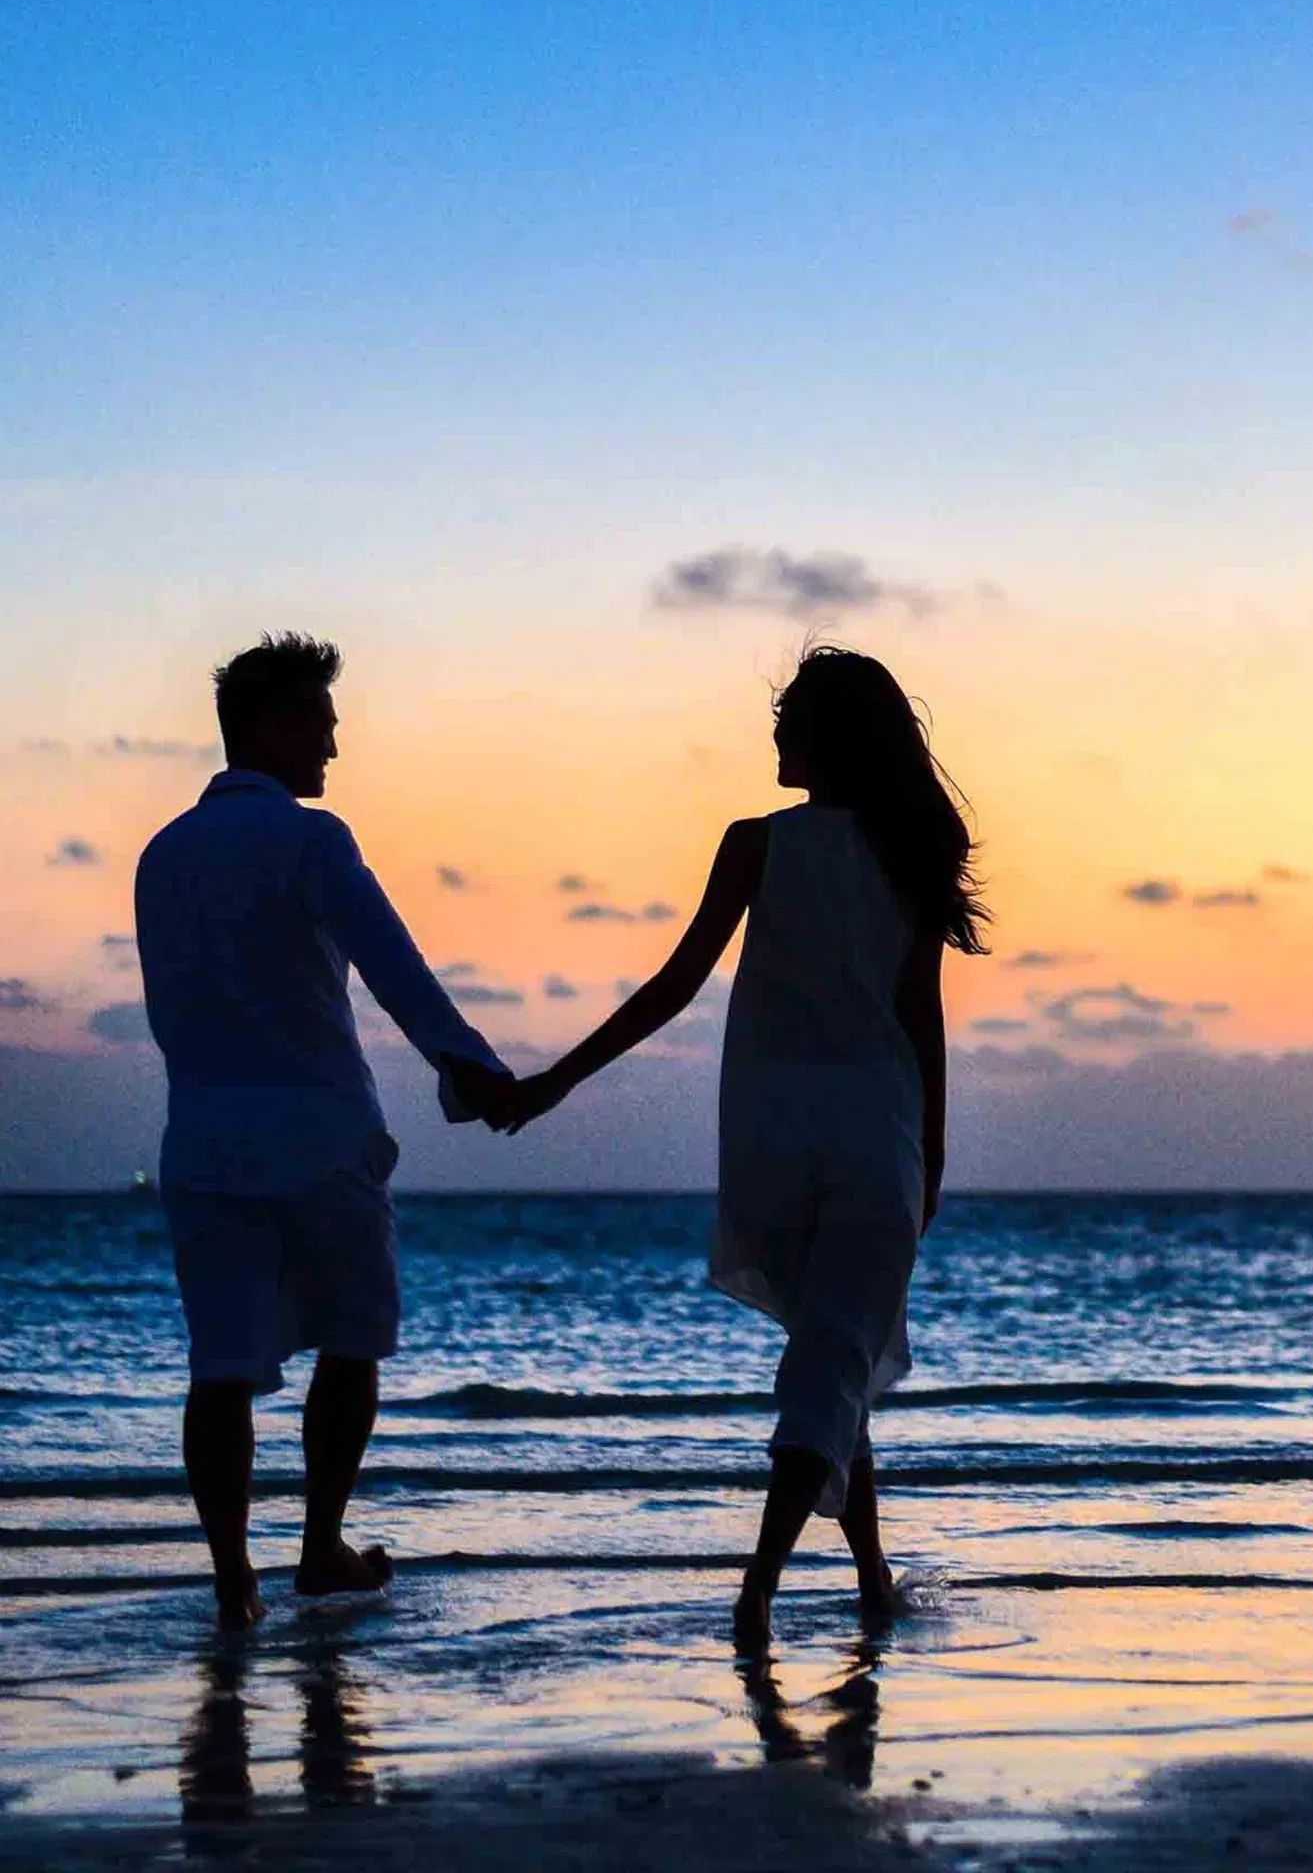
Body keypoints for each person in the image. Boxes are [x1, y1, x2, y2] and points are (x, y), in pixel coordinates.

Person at [498, 647, 988, 1646]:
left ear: (827, 735)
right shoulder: (908, 848)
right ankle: (757, 1590)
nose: (772, 730)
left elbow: (674, 985)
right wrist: (931, 1156)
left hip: (771, 1144)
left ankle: (870, 1577)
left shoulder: (755, 844)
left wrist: (555, 1080)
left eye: (786, 715)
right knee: (829, 1364)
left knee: (831, 1359)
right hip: (874, 1139)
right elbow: (918, 1018)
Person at [135, 633, 516, 1630]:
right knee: (350, 1344)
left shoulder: (161, 854)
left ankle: (232, 1578)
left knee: (220, 1366)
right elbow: (390, 961)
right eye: (321, 724)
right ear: (270, 724)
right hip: (318, 1132)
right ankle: (317, 1546)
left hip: (204, 1139)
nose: (333, 749)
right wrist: (467, 1065)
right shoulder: (313, 840)